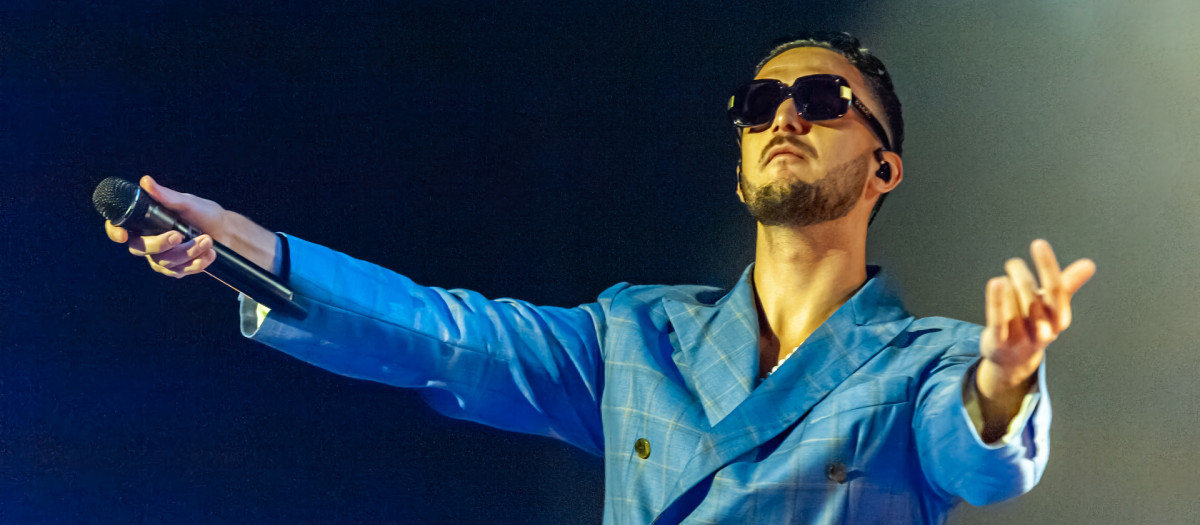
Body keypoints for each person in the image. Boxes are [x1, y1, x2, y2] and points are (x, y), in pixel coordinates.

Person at [104, 32, 1095, 524]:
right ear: (740, 155)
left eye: (823, 98)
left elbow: (976, 459)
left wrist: (1005, 380)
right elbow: (442, 336)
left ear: (884, 166)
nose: (785, 116)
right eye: (761, 102)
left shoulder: (931, 362)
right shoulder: (636, 335)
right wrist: (256, 248)